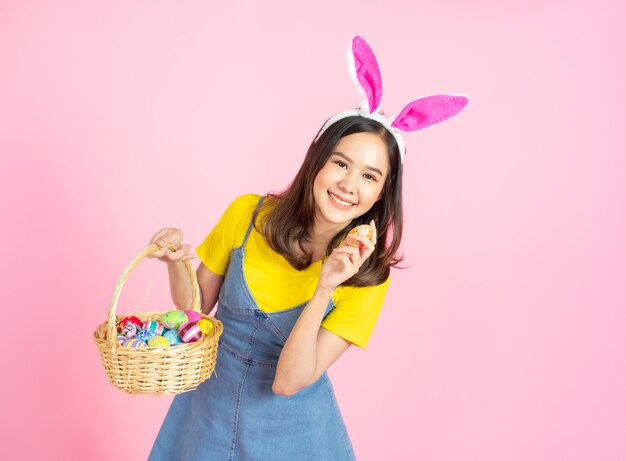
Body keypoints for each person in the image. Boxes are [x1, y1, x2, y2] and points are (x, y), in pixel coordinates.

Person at [146, 36, 467, 461]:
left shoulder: (368, 276)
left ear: (382, 194)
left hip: (292, 436)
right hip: (206, 413)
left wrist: (326, 287)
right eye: (341, 163)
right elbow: (194, 310)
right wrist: (175, 263)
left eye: (370, 177)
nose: (349, 185)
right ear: (317, 161)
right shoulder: (248, 216)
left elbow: (289, 381)